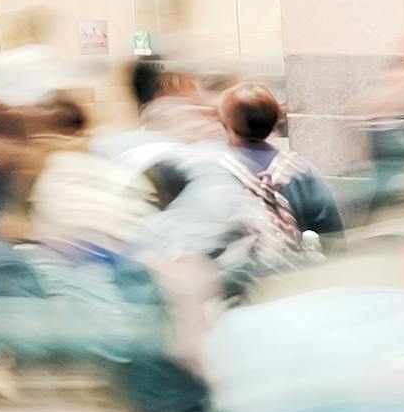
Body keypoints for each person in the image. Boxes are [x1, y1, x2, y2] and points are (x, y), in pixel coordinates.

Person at [144, 82, 340, 304]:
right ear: (274, 121)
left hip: (240, 292)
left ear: (226, 124)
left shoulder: (210, 168)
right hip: (291, 284)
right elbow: (332, 230)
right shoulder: (300, 169)